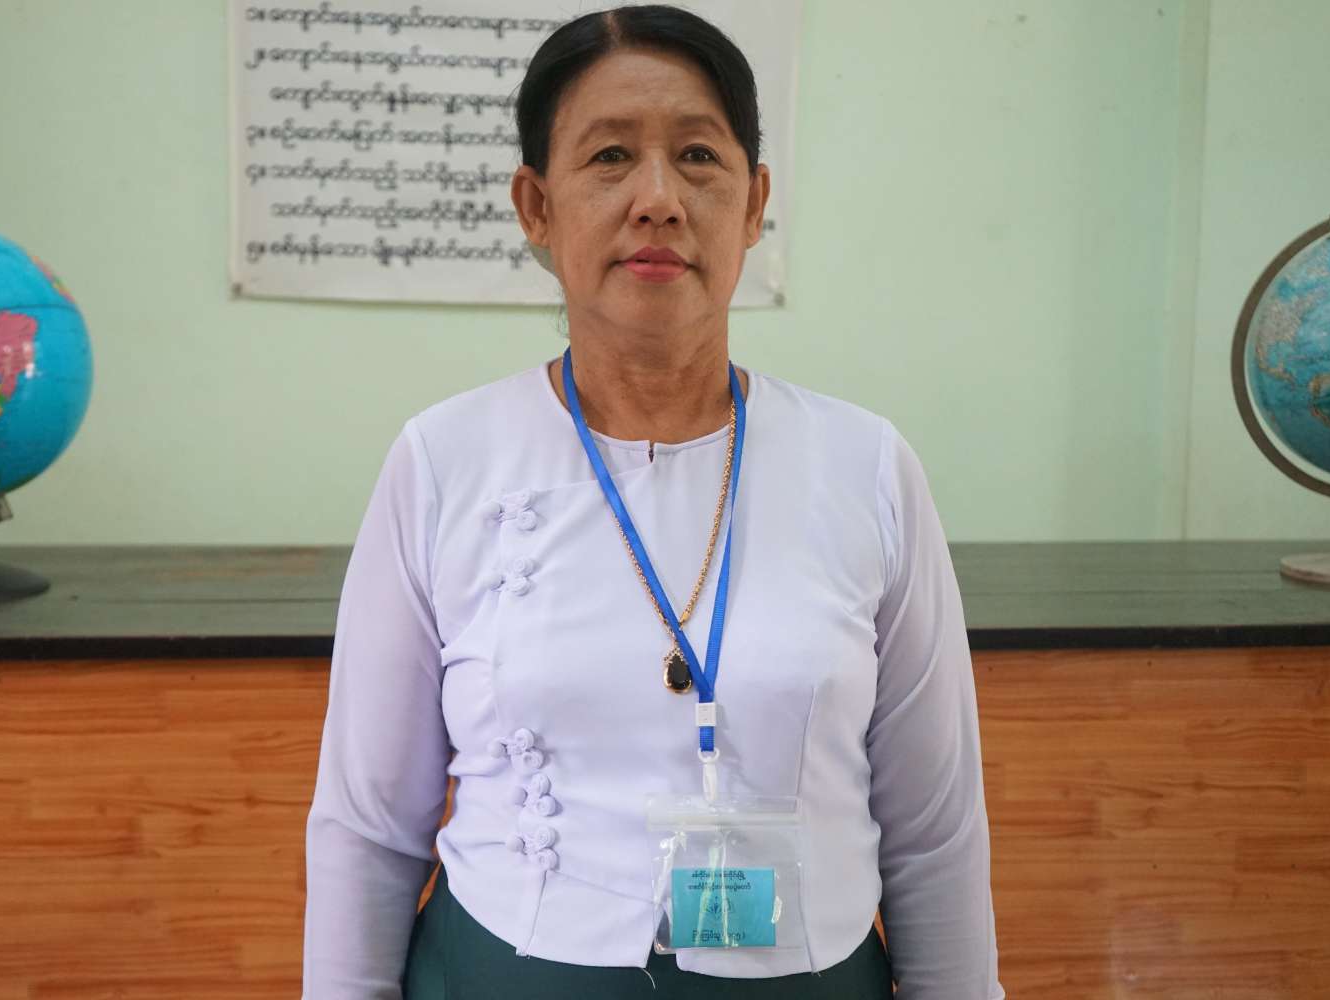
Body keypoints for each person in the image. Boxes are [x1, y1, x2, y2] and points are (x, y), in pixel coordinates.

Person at [303, 6, 1002, 998]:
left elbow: (936, 830)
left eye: (699, 156)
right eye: (610, 157)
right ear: (536, 207)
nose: (659, 200)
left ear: (754, 204)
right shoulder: (444, 461)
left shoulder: (867, 467)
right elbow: (369, 827)